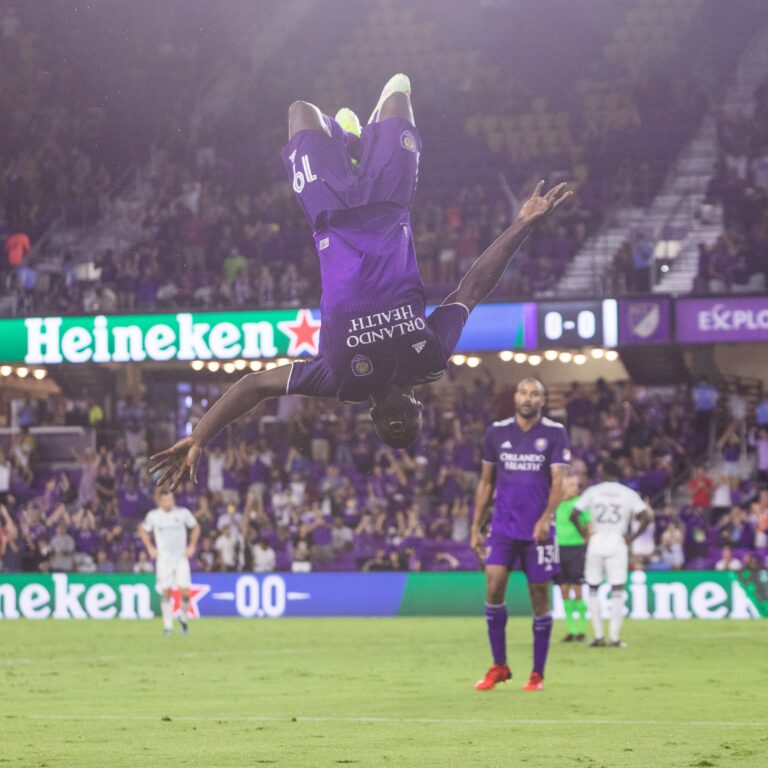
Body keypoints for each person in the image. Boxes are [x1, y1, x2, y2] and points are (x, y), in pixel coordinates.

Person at [149, 74, 571, 490]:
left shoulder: (338, 380)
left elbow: (256, 385)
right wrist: (523, 225)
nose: (400, 419)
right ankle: (359, 141)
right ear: (419, 405)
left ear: (372, 418)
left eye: (393, 427)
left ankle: (345, 138)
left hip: (328, 213)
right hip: (389, 203)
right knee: (398, 91)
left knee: (300, 111)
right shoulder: (430, 358)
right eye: (409, 423)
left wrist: (201, 435)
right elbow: (472, 289)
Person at [470, 378, 571, 692]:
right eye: (524, 392)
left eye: (535, 394)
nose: (528, 398)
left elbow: (559, 483)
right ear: (515, 397)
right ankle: (499, 666)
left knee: (539, 598)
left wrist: (546, 517)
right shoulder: (497, 432)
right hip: (502, 527)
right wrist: (476, 525)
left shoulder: (555, 433)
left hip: (537, 531)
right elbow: (486, 483)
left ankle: (537, 674)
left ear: (543, 400)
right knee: (494, 586)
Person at [572, 461, 652, 648]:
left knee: (593, 588)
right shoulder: (628, 493)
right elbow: (646, 516)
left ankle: (598, 636)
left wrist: (585, 534)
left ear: (603, 472)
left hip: (597, 540)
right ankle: (614, 637)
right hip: (617, 541)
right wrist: (632, 537)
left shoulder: (593, 491)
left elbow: (574, 514)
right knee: (617, 589)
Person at [138, 490, 200, 637]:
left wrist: (192, 546)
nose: (169, 502)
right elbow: (142, 529)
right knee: (166, 592)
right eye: (166, 500)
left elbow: (196, 527)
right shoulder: (154, 516)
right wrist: (150, 547)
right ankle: (168, 626)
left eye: (171, 499)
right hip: (164, 559)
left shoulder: (182, 513)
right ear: (160, 501)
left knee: (185, 593)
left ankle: (184, 618)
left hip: (180, 558)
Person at [554, 473, 589, 642]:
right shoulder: (555, 504)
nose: (575, 488)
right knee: (563, 589)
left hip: (576, 548)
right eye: (572, 485)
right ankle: (571, 629)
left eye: (576, 485)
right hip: (559, 549)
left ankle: (581, 628)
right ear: (563, 486)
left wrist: (587, 540)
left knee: (577, 587)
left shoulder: (580, 504)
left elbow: (588, 525)